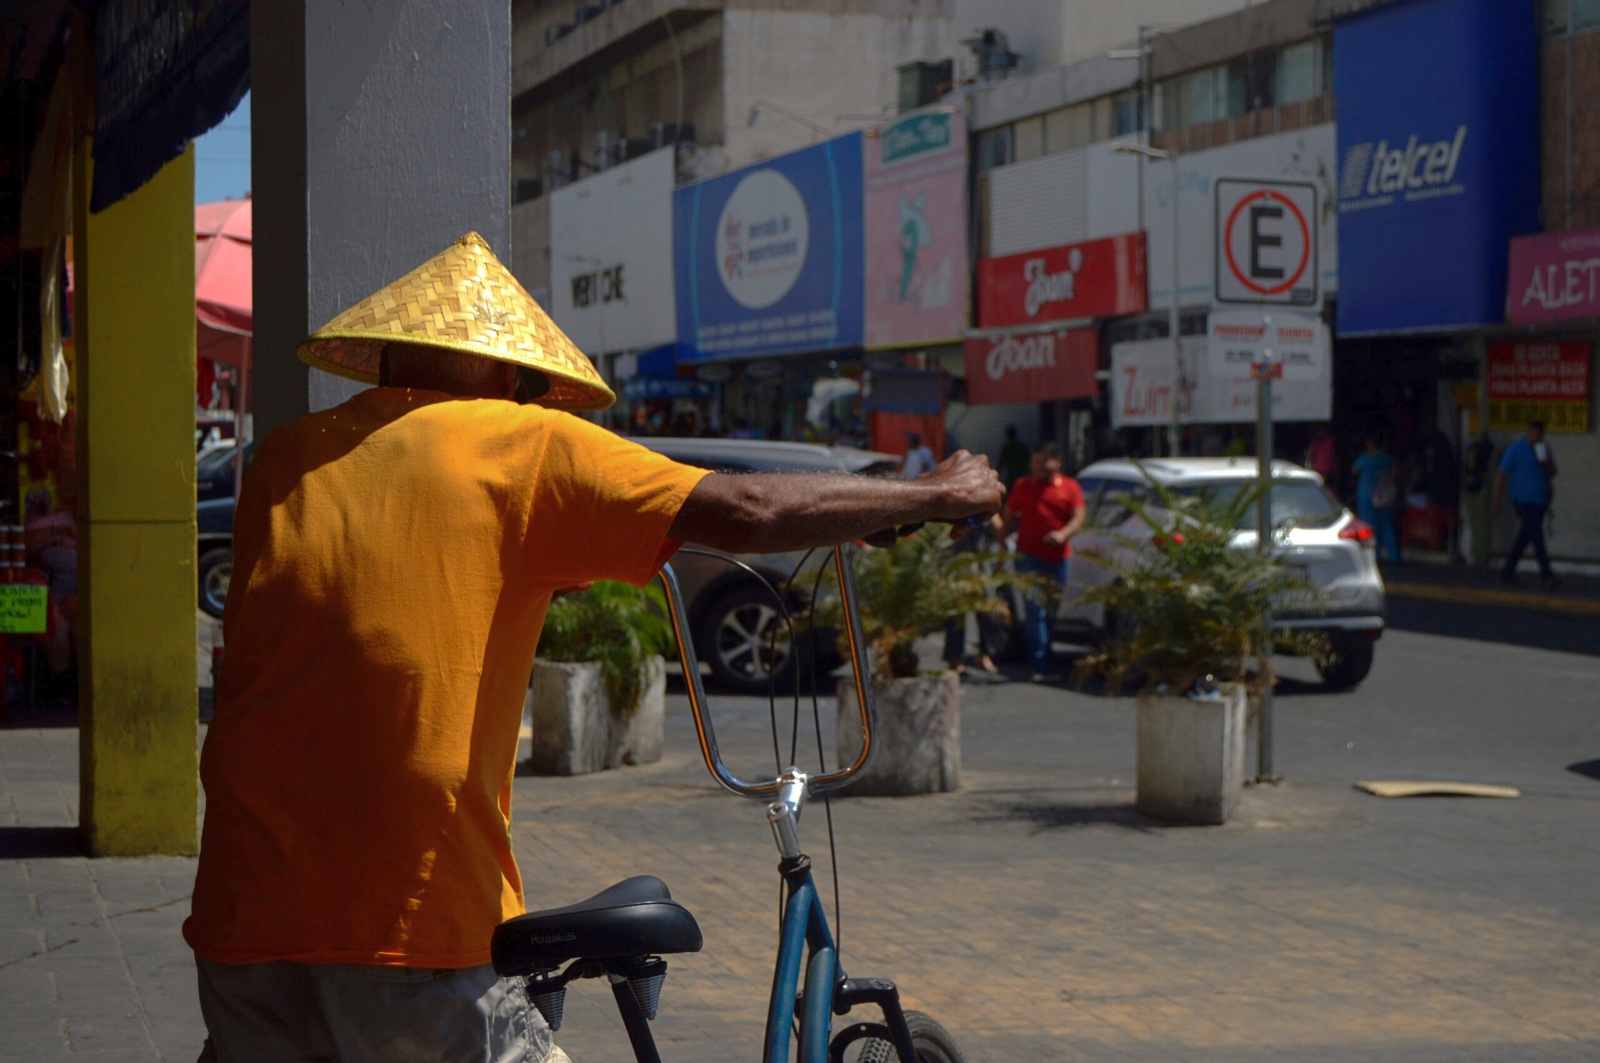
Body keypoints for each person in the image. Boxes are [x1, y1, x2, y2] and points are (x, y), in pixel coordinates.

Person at [182, 233, 1004, 1063]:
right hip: (406, 925)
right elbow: (747, 508)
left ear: (390, 355)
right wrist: (937, 492)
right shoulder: (519, 444)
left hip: (241, 918)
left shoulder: (282, 459)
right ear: (511, 377)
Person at [999, 442, 1085, 681]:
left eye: (1043, 461)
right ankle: (1040, 664)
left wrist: (1063, 534)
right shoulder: (1022, 486)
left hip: (1058, 559)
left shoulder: (1069, 487)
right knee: (1034, 608)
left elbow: (1078, 517)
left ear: (1056, 462)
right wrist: (1002, 543)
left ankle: (1046, 655)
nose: (1038, 466)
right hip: (1028, 557)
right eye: (1035, 462)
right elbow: (1009, 516)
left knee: (1051, 611)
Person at [1493, 420, 1559, 589]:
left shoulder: (1544, 450)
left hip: (1540, 501)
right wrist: (1496, 501)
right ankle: (1547, 574)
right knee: (1537, 536)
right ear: (1528, 433)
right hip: (1523, 500)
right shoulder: (1515, 450)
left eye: (1540, 435)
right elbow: (1501, 474)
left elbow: (1553, 472)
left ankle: (1507, 571)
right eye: (1534, 434)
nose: (1537, 437)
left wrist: (1546, 463)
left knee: (1525, 536)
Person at [1353, 434, 1401, 564]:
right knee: (1387, 526)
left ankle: (1375, 556)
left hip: (1367, 496)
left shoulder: (1365, 458)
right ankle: (1394, 556)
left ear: (1371, 444)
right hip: (1385, 496)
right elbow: (1396, 471)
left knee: (1369, 527)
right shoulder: (1388, 458)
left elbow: (1355, 471)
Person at [1462, 429, 1495, 568]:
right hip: (1473, 487)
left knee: (1480, 522)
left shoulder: (1479, 450)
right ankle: (1477, 554)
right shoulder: (1472, 449)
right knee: (1476, 522)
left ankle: (1480, 554)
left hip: (1478, 487)